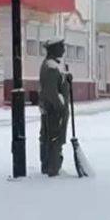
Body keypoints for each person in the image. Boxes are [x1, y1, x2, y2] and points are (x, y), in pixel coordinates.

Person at [39, 38, 71, 177]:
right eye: (61, 47)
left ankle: (50, 166)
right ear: (54, 49)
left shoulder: (53, 66)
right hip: (54, 111)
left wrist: (66, 78)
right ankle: (52, 167)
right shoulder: (51, 67)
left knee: (50, 137)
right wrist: (61, 106)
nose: (63, 50)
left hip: (52, 110)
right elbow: (52, 92)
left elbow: (58, 84)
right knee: (54, 139)